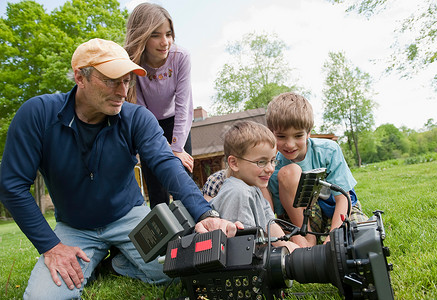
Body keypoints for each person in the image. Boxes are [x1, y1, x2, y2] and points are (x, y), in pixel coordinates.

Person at [0, 38, 241, 300]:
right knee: (42, 298)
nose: (122, 91)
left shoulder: (136, 118)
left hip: (130, 217)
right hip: (74, 227)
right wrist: (52, 246)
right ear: (80, 77)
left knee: (175, 271)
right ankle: (92, 259)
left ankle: (116, 264)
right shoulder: (37, 114)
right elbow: (12, 185)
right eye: (111, 80)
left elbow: (166, 164)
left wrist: (205, 214)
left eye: (126, 80)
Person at [266, 92, 367, 247]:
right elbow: (280, 214)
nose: (290, 144)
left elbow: (342, 199)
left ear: (309, 132)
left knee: (361, 237)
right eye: (281, 137)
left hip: (339, 210)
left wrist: (333, 236)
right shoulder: (273, 166)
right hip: (303, 219)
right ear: (271, 133)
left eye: (298, 136)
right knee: (289, 249)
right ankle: (308, 238)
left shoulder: (328, 150)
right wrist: (298, 236)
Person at [124, 3, 194, 208]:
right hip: (148, 123)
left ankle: (193, 232)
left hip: (177, 121)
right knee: (156, 188)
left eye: (169, 34)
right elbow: (140, 108)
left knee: (182, 179)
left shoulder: (180, 57)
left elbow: (183, 106)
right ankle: (163, 238)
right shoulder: (131, 63)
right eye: (156, 35)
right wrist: (159, 148)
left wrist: (177, 149)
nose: (165, 42)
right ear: (142, 35)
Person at [209, 121, 299, 253]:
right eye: (261, 162)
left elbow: (273, 229)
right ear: (234, 163)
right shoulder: (238, 193)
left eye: (273, 161)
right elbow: (245, 250)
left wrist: (297, 251)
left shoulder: (254, 189)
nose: (270, 169)